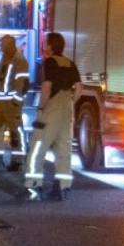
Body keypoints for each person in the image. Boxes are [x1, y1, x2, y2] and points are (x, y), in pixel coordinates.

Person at [23, 31, 82, 200]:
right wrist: (71, 102)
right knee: (64, 149)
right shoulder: (70, 63)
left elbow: (47, 86)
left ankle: (33, 187)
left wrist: (41, 107)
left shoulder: (49, 62)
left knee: (37, 145)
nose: (43, 45)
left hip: (53, 107)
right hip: (67, 107)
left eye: (45, 42)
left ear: (50, 46)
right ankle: (62, 188)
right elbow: (79, 87)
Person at [0, 34, 29, 172]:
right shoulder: (5, 58)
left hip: (11, 103)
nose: (1, 47)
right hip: (0, 102)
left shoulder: (20, 60)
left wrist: (16, 102)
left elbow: (22, 84)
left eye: (3, 44)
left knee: (15, 133)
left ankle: (17, 161)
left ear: (10, 45)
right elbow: (2, 73)